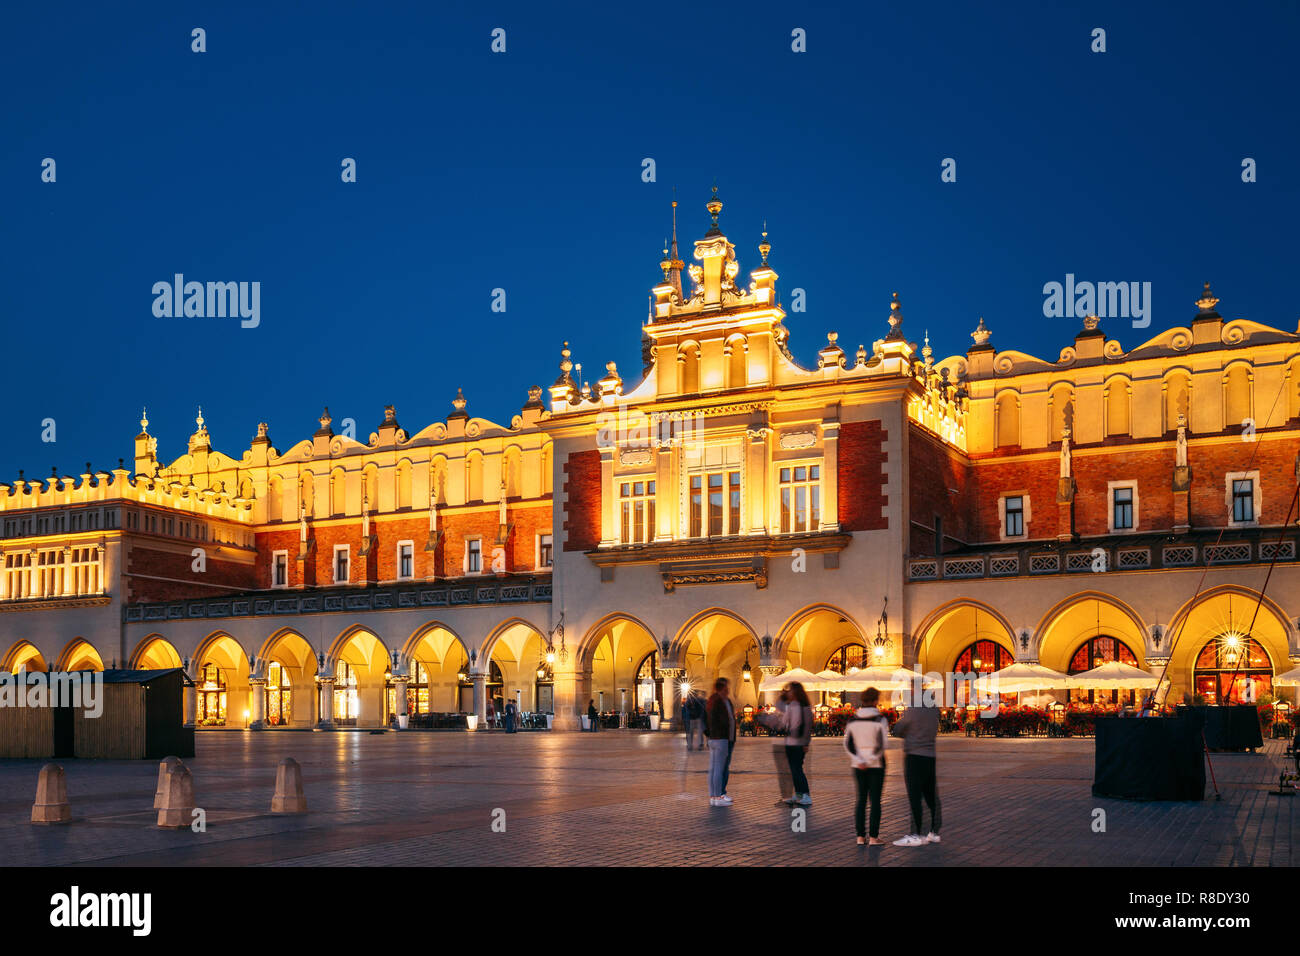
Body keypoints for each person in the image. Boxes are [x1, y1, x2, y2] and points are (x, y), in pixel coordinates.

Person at [890, 697, 941, 846]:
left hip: (914, 755)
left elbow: (898, 729)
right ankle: (934, 831)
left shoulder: (913, 709)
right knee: (931, 795)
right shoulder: (934, 709)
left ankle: (916, 834)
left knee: (915, 795)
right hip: (930, 755)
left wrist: (900, 726)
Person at [843, 687, 889, 846]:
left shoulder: (853, 720)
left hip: (858, 765)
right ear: (876, 701)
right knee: (875, 801)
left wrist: (859, 760)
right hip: (876, 764)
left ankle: (860, 837)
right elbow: (882, 744)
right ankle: (874, 837)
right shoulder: (880, 719)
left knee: (861, 800)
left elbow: (848, 744)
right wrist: (870, 760)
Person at [780, 682, 814, 806]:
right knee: (794, 769)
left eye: (790, 691)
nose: (789, 693)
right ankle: (799, 794)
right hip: (790, 742)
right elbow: (784, 723)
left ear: (796, 692)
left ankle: (805, 795)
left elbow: (808, 726)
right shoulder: (791, 706)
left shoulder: (805, 707)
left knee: (797, 769)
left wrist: (806, 742)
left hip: (799, 743)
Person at [705, 678, 737, 807]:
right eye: (726, 687)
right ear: (721, 688)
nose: (728, 689)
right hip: (720, 738)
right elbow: (720, 720)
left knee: (714, 769)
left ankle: (715, 796)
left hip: (721, 738)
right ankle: (717, 797)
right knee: (718, 769)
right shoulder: (718, 701)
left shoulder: (719, 700)